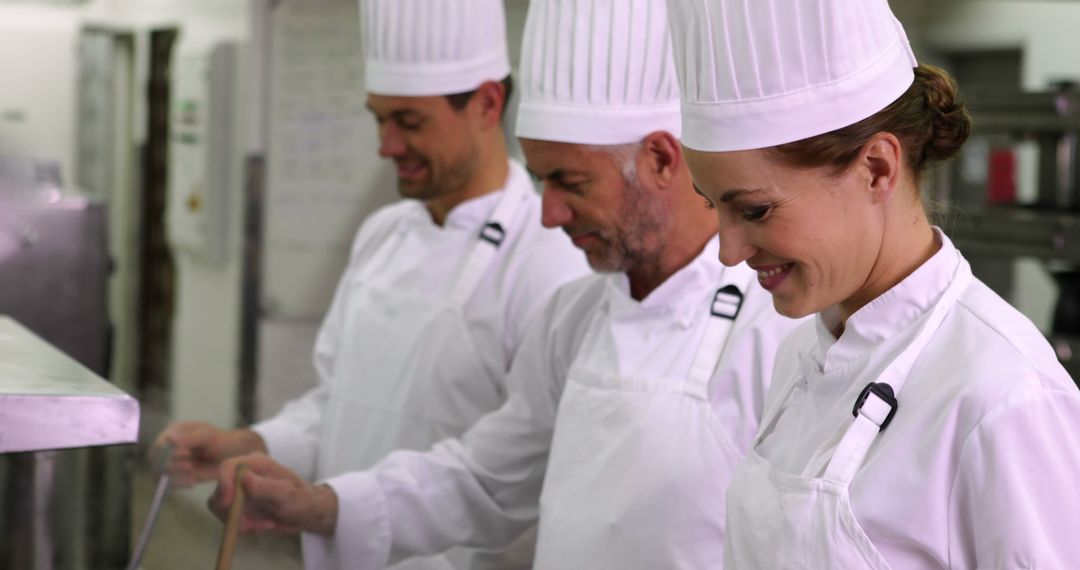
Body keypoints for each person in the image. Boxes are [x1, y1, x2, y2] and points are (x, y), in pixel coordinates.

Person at [206, 0, 803, 568]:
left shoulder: (779, 333)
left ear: (662, 160)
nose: (549, 214)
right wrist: (325, 506)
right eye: (542, 182)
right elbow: (483, 479)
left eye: (570, 182)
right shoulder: (574, 318)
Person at [157, 0, 589, 568]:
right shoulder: (383, 234)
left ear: (487, 103)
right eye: (379, 119)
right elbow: (337, 402)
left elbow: (519, 472)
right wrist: (256, 443)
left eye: (409, 122)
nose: (386, 146)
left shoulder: (551, 260)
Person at [665, 0, 1080, 567]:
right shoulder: (799, 358)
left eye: (756, 211)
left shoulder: (1003, 396)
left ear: (877, 169)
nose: (728, 252)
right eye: (712, 207)